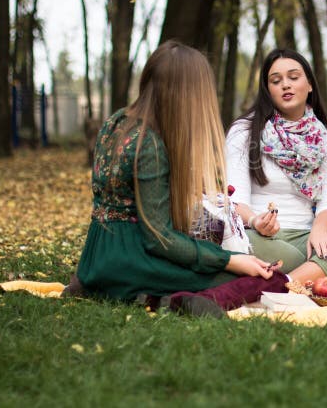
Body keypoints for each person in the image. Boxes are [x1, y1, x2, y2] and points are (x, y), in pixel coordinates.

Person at [70, 41, 287, 317]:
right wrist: (230, 260)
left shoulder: (116, 122)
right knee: (265, 280)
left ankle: (127, 290)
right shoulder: (150, 146)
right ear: (186, 94)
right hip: (130, 260)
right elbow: (159, 239)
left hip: (95, 256)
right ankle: (177, 299)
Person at [226, 49, 327, 283]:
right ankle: (313, 273)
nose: (285, 85)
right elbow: (233, 202)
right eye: (276, 80)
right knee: (245, 244)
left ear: (310, 85)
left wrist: (319, 230)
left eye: (293, 77)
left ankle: (286, 283)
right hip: (259, 238)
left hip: (307, 237)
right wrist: (255, 221)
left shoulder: (325, 141)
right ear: (267, 89)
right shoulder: (244, 132)